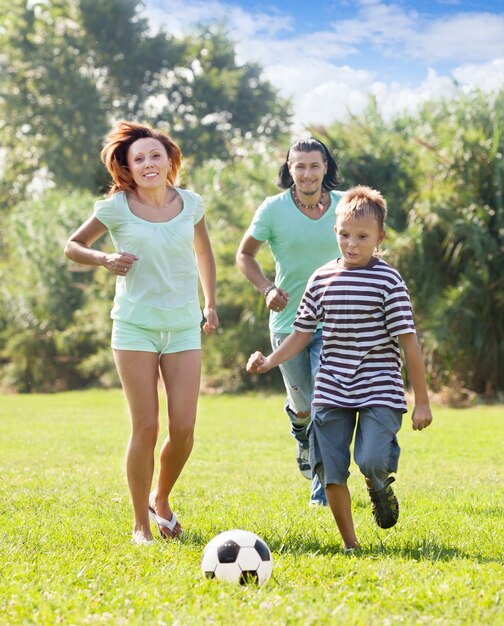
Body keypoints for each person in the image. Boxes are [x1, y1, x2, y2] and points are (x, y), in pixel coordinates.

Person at [246, 185, 433, 551]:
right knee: (330, 470)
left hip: (379, 385)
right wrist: (270, 360)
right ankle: (352, 545)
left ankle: (378, 485)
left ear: (379, 237)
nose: (351, 244)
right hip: (331, 387)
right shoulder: (320, 279)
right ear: (335, 232)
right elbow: (301, 334)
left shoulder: (389, 282)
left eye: (362, 237)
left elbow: (408, 342)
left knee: (372, 460)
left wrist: (421, 401)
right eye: (345, 235)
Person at [64, 121, 219, 545]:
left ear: (170, 160)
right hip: (134, 327)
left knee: (184, 427)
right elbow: (72, 245)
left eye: (156, 156)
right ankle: (141, 525)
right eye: (139, 159)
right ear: (127, 169)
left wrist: (210, 303)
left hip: (183, 326)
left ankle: (161, 498)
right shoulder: (115, 207)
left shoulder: (191, 203)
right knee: (146, 426)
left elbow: (203, 251)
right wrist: (104, 258)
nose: (149, 164)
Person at [236, 137, 344, 506]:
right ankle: (301, 432)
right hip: (289, 322)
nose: (308, 173)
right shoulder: (273, 209)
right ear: (289, 169)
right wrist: (267, 288)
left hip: (336, 321)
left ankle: (321, 481)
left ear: (326, 167)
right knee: (304, 408)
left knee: (325, 402)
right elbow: (245, 254)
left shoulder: (347, 205)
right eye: (300, 166)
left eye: (315, 165)